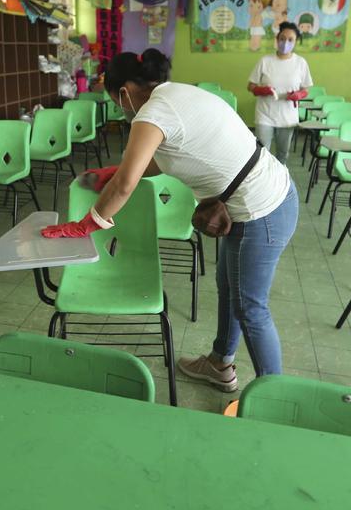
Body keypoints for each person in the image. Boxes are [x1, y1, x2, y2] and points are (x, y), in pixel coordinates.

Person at [40, 49, 299, 391]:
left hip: (262, 211)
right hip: (267, 199)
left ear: (123, 92)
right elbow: (166, 160)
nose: (121, 111)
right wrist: (115, 172)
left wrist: (88, 222)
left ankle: (275, 398)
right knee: (229, 287)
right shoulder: (176, 94)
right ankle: (220, 363)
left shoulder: (154, 111)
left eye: (117, 103)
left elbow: (126, 185)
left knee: (251, 308)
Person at [248, 21, 314, 164]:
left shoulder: (300, 63)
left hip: (287, 117)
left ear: (296, 42)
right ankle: (262, 181)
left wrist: (299, 95)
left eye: (290, 40)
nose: (285, 43)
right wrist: (261, 90)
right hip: (265, 115)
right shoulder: (265, 61)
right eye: (282, 38)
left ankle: (280, 181)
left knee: (282, 154)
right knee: (262, 154)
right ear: (277, 39)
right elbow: (251, 86)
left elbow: (306, 89)